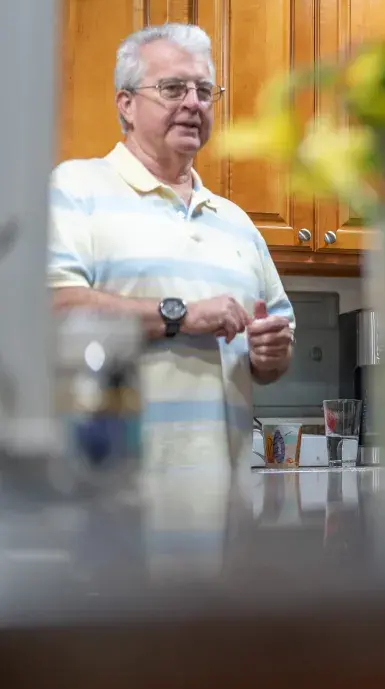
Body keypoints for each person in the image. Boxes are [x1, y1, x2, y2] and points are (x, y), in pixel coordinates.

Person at [47, 23, 296, 471]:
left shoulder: (238, 222)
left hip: (229, 513)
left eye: (204, 90)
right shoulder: (75, 186)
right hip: (118, 507)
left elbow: (275, 348)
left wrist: (271, 352)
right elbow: (55, 308)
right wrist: (179, 314)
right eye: (172, 88)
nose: (192, 103)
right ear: (126, 104)